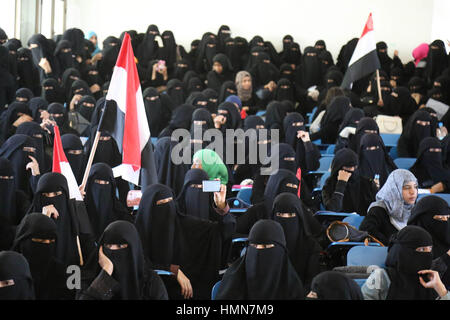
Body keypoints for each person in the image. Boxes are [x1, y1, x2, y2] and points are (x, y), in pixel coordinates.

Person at [135, 183, 233, 300]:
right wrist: (173, 270)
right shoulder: (137, 234)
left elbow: (222, 232)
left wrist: (222, 207)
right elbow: (140, 264)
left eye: (170, 202)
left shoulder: (184, 225)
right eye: (161, 204)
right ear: (148, 210)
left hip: (187, 294)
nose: (167, 208)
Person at [78, 221, 168, 300]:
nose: (112, 250)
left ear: (133, 249)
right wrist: (105, 273)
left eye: (120, 246)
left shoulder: (149, 281)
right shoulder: (89, 278)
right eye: (108, 246)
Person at [216, 219, 305, 300]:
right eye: (254, 246)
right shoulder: (232, 282)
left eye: (266, 246)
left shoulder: (292, 288)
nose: (258, 251)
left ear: (281, 250)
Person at [362, 225, 449, 300]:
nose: (428, 254)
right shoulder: (381, 276)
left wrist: (441, 289)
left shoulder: (431, 279)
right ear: (404, 251)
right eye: (422, 249)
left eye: (429, 249)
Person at [26, 172, 95, 268]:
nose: (51, 198)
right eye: (45, 195)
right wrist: (43, 220)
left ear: (65, 195)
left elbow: (90, 261)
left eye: (56, 194)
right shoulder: (28, 225)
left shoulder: (77, 222)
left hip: (72, 278)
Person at [11, 213, 73, 300]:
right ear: (23, 240)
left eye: (51, 241)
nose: (47, 245)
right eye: (40, 240)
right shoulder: (8, 270)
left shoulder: (63, 272)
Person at [271, 193, 322, 293]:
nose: (285, 219)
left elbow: (312, 281)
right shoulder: (266, 244)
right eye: (280, 215)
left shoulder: (311, 246)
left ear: (299, 216)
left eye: (291, 215)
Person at [360, 169, 418, 245]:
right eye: (407, 187)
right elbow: (367, 232)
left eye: (415, 187)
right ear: (394, 189)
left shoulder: (416, 210)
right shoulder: (378, 210)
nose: (413, 192)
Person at [84, 163, 133, 241]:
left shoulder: (120, 214)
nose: (101, 187)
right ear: (89, 184)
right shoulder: (80, 211)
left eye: (106, 183)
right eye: (97, 182)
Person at [322, 148, 377, 216]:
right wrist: (341, 184)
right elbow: (333, 210)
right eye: (348, 167)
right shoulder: (329, 184)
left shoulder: (367, 183)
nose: (352, 170)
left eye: (355, 166)